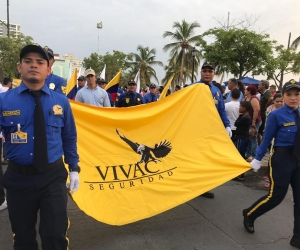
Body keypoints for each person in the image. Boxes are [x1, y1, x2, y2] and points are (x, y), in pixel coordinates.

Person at [1, 44, 80, 249]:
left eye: (40, 62)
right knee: (23, 238)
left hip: (52, 177)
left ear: (48, 70)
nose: (33, 66)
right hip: (18, 179)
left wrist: (74, 168)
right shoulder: (4, 101)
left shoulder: (61, 102)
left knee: (55, 236)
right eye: (28, 61)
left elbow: (69, 137)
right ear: (19, 68)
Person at [243, 79, 300, 249]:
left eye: (297, 94)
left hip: (299, 160)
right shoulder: (276, 115)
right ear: (283, 96)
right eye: (289, 94)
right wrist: (258, 159)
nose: (293, 98)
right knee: (276, 197)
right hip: (282, 160)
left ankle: (297, 237)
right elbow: (267, 139)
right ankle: (250, 214)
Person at [191, 61, 232, 199]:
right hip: (194, 130)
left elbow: (221, 110)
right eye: (205, 71)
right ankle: (191, 186)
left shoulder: (217, 91)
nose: (207, 74)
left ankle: (203, 187)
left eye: (210, 71)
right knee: (194, 159)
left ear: (214, 73)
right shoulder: (193, 88)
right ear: (201, 72)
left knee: (206, 160)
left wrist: (227, 125)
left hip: (210, 132)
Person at [233, 101, 251, 181]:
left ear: (244, 108)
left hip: (242, 138)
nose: (239, 108)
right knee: (239, 155)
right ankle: (238, 173)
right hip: (240, 137)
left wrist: (240, 117)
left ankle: (241, 174)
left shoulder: (246, 118)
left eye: (240, 106)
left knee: (240, 156)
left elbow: (236, 123)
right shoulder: (243, 116)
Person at [244, 84, 262, 162]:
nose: (244, 91)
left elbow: (256, 110)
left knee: (253, 138)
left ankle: (254, 155)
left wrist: (253, 121)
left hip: (255, 121)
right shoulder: (246, 98)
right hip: (248, 120)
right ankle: (248, 154)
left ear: (249, 91)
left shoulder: (254, 99)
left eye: (246, 89)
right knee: (249, 138)